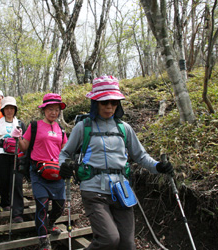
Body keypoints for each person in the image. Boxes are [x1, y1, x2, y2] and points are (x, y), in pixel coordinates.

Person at [58, 75, 174, 250]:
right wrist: (64, 166)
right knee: (109, 239)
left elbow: (141, 156)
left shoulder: (124, 128)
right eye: (105, 103)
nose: (110, 107)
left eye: (114, 102)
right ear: (95, 103)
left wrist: (158, 166)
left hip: (121, 190)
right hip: (93, 190)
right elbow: (65, 153)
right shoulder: (83, 127)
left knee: (127, 244)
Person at [16, 93, 68, 250]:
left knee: (60, 206)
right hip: (39, 172)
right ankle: (44, 241)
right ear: (44, 110)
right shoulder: (35, 126)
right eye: (50, 109)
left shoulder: (61, 129)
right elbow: (24, 147)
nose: (54, 112)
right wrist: (18, 137)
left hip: (57, 172)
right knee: (42, 205)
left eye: (57, 109)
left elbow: (65, 150)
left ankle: (50, 224)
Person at [0, 96, 27, 223]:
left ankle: (17, 213)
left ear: (15, 110)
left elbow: (25, 142)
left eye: (12, 108)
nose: (9, 111)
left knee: (17, 183)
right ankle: (5, 202)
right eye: (7, 108)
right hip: (0, 154)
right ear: (3, 110)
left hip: (16, 155)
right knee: (3, 181)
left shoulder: (20, 124)